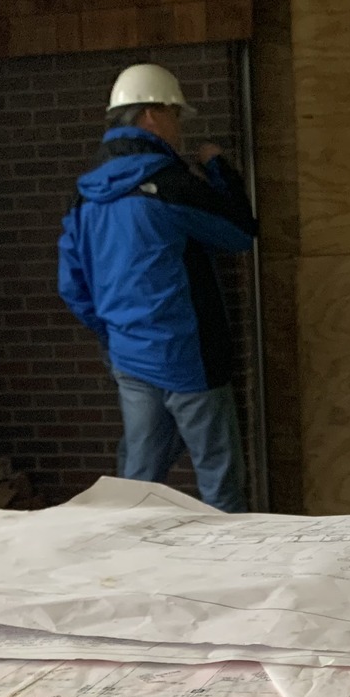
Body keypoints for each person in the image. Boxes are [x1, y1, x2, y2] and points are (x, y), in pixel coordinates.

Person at [58, 64, 257, 512]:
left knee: (136, 485)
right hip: (191, 358)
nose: (179, 126)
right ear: (152, 115)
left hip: (130, 357)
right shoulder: (172, 186)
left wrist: (117, 333)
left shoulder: (85, 197)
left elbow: (73, 286)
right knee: (220, 487)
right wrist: (219, 169)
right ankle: (237, 570)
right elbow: (239, 234)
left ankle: (126, 568)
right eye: (175, 114)